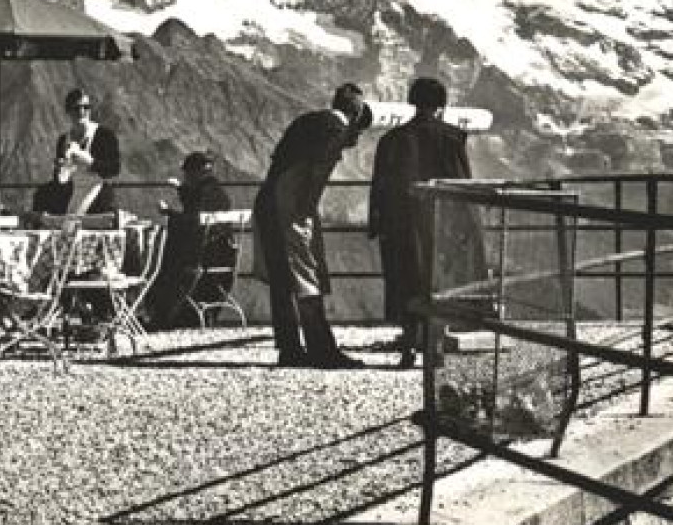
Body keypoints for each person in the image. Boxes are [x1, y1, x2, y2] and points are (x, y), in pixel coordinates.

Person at [252, 84, 372, 368]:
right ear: (354, 114)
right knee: (306, 276)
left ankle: (290, 349)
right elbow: (315, 167)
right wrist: (303, 217)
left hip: (271, 203)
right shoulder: (334, 127)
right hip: (289, 208)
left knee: (282, 279)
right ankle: (322, 350)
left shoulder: (308, 122)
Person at [369, 77, 473, 368]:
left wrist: (376, 223)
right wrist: (466, 226)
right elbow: (461, 184)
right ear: (441, 104)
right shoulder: (453, 138)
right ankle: (435, 346)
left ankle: (409, 346)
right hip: (440, 223)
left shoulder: (391, 140)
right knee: (437, 281)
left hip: (400, 224)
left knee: (406, 281)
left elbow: (379, 186)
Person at [148, 151, 235, 328]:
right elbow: (194, 205)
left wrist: (168, 213)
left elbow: (191, 221)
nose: (186, 177)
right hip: (223, 254)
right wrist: (180, 189)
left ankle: (162, 317)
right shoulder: (216, 191)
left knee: (163, 261)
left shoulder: (204, 193)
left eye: (187, 174)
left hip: (203, 255)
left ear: (195, 174)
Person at [43, 89, 121, 215]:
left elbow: (114, 168)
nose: (81, 112)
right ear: (68, 111)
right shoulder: (63, 140)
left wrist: (90, 162)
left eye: (86, 107)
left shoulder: (104, 136)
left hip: (98, 200)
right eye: (76, 108)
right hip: (71, 198)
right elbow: (59, 180)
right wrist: (60, 169)